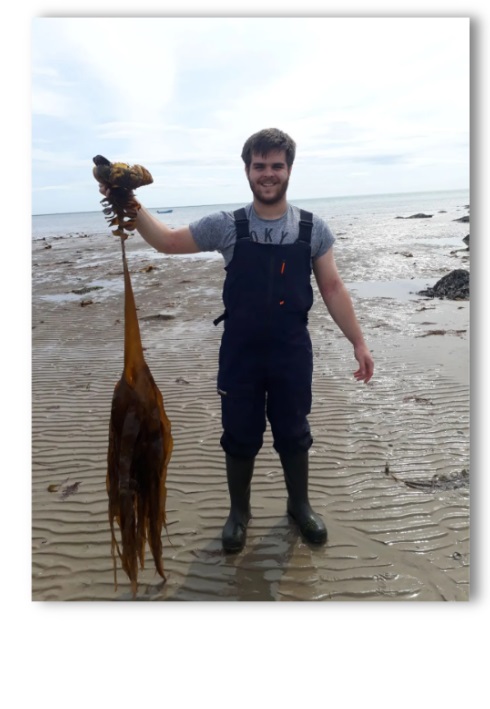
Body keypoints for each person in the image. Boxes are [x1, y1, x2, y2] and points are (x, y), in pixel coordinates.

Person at [102, 127, 374, 554]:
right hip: (240, 354)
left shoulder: (312, 229)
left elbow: (334, 287)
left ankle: (299, 505)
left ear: (289, 170)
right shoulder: (228, 226)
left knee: (294, 431)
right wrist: (127, 201)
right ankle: (239, 513)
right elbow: (167, 242)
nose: (268, 174)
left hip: (291, 353)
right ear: (247, 170)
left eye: (276, 166)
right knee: (240, 434)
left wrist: (357, 341)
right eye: (260, 165)